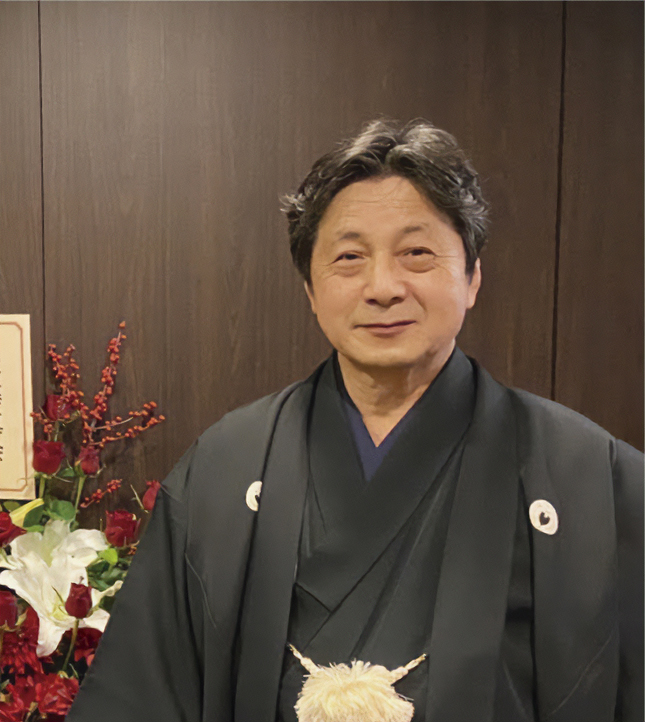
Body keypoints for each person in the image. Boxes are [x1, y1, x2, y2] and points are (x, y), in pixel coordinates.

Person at [67, 119, 643, 722]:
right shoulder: (223, 467)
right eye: (349, 257)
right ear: (311, 290)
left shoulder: (591, 479)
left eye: (416, 253)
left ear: (472, 276)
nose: (383, 287)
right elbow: (140, 693)